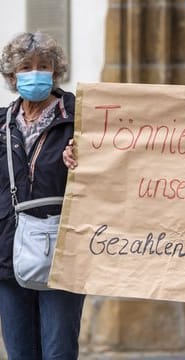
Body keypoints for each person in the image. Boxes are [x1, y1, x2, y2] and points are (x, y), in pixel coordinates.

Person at [0, 32, 85, 359]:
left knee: (58, 350)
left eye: (44, 65)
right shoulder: (3, 125)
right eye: (26, 66)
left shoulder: (79, 119)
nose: (35, 72)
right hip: (9, 254)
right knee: (20, 352)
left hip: (64, 252)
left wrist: (84, 157)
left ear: (55, 71)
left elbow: (110, 167)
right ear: (12, 76)